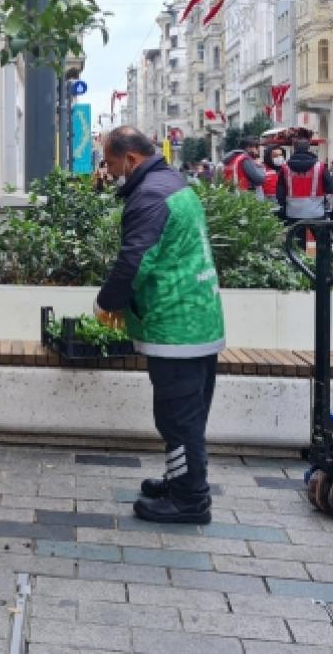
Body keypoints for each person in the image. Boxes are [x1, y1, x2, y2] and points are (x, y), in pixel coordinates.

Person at [94, 126, 225, 525]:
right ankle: (179, 479)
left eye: (111, 161)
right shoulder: (172, 183)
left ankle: (190, 499)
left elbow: (135, 260)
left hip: (176, 325)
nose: (109, 169)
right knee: (187, 414)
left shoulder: (150, 196)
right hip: (198, 318)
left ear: (130, 159)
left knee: (178, 417)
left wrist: (106, 303)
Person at [277, 138, 333, 224]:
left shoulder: (285, 167)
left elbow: (280, 192)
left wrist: (284, 205)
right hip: (316, 212)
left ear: (294, 149)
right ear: (309, 148)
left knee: (295, 237)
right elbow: (330, 188)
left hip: (293, 213)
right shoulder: (320, 166)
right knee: (319, 237)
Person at [263, 146, 288, 216]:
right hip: (268, 208)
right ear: (268, 157)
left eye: (280, 155)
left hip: (285, 207)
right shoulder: (262, 169)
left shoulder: (286, 168)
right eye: (275, 156)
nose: (279, 158)